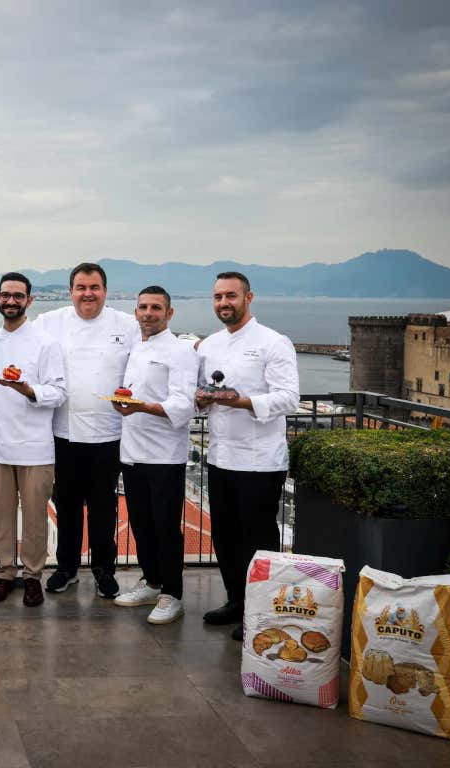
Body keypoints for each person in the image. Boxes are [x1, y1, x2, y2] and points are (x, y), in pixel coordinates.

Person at [195, 271, 299, 640]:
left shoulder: (274, 342)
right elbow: (203, 400)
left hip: (260, 460)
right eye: (218, 297)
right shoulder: (208, 346)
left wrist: (241, 401)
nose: (224, 303)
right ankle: (236, 601)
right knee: (224, 535)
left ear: (248, 298)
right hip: (221, 456)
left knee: (257, 538)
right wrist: (203, 401)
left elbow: (289, 398)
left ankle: (262, 612)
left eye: (231, 296)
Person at [35, 262, 138, 598]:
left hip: (108, 434)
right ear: (71, 292)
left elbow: (147, 361)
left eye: (94, 287)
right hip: (63, 432)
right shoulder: (51, 322)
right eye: (81, 287)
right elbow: (19, 342)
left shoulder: (127, 324)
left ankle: (103, 570)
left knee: (103, 507)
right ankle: (66, 568)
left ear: (105, 291)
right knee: (65, 505)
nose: (88, 294)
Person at [112, 286, 198, 624]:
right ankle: (151, 580)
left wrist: (143, 407)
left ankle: (172, 594)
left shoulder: (181, 352)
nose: (148, 313)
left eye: (156, 308)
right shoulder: (136, 348)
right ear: (136, 312)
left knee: (165, 527)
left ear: (169, 313)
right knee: (142, 523)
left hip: (164, 455)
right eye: (143, 307)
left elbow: (184, 403)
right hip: (133, 452)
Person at [0, 273, 67, 607]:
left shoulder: (46, 343)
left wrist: (29, 389)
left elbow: (59, 392)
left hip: (36, 447)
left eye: (19, 296)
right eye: (6, 295)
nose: (12, 301)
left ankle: (33, 577)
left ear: (30, 301)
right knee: (1, 517)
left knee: (35, 519)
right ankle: (4, 574)